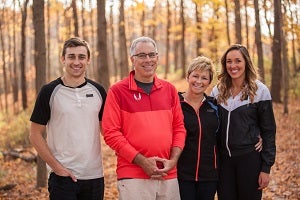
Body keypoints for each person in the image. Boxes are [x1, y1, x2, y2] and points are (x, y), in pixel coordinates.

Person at [102, 36, 186, 200]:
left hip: (168, 174)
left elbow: (179, 128)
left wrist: (173, 160)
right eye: (141, 55)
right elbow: (111, 133)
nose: (148, 60)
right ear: (132, 59)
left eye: (151, 55)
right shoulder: (118, 91)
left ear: (157, 57)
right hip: (133, 175)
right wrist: (142, 162)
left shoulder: (169, 90)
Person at [29, 37, 107, 200]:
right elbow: (35, 135)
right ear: (63, 59)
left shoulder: (99, 91)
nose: (76, 62)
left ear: (88, 60)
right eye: (71, 56)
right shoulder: (49, 91)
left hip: (94, 175)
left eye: (81, 57)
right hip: (62, 177)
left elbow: (107, 130)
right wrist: (57, 168)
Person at [211, 44, 276, 200]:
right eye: (229, 61)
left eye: (238, 61)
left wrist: (266, 168)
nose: (233, 66)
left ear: (246, 62)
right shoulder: (217, 91)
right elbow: (211, 124)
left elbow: (269, 131)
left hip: (250, 160)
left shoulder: (260, 91)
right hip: (224, 162)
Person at [177, 56, 219, 200]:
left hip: (209, 176)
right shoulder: (175, 103)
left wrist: (256, 134)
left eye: (204, 78)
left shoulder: (215, 106)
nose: (199, 81)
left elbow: (231, 128)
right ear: (188, 76)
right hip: (181, 175)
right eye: (195, 76)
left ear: (209, 81)